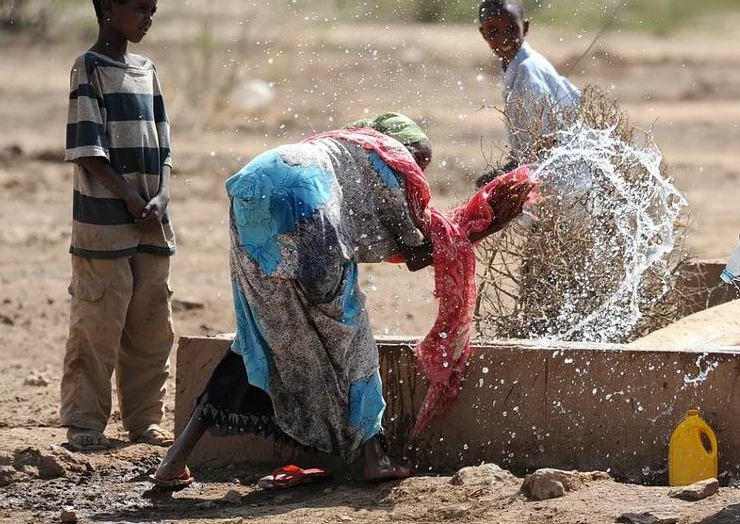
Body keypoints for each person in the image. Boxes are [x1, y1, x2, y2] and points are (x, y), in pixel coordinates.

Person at [152, 113, 534, 488]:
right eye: (421, 161)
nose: (420, 175)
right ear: (404, 147)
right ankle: (374, 458)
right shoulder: (392, 161)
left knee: (258, 331)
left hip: (254, 187)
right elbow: (417, 254)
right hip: (308, 205)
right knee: (350, 332)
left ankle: (175, 460)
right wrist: (484, 223)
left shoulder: (341, 147)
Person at [61, 0, 176, 452]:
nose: (147, 20)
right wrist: (130, 199)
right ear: (109, 9)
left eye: (152, 12)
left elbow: (163, 146)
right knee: (98, 323)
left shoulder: (146, 70)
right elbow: (89, 150)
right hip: (105, 223)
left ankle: (145, 421)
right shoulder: (88, 68)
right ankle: (85, 424)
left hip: (151, 221)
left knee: (151, 324)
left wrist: (161, 196)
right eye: (139, 10)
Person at [477, 0, 581, 185]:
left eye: (511, 29)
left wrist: (507, 173)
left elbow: (545, 143)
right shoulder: (513, 65)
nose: (503, 39)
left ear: (525, 28)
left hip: (564, 174)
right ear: (483, 33)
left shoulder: (528, 71)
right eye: (493, 31)